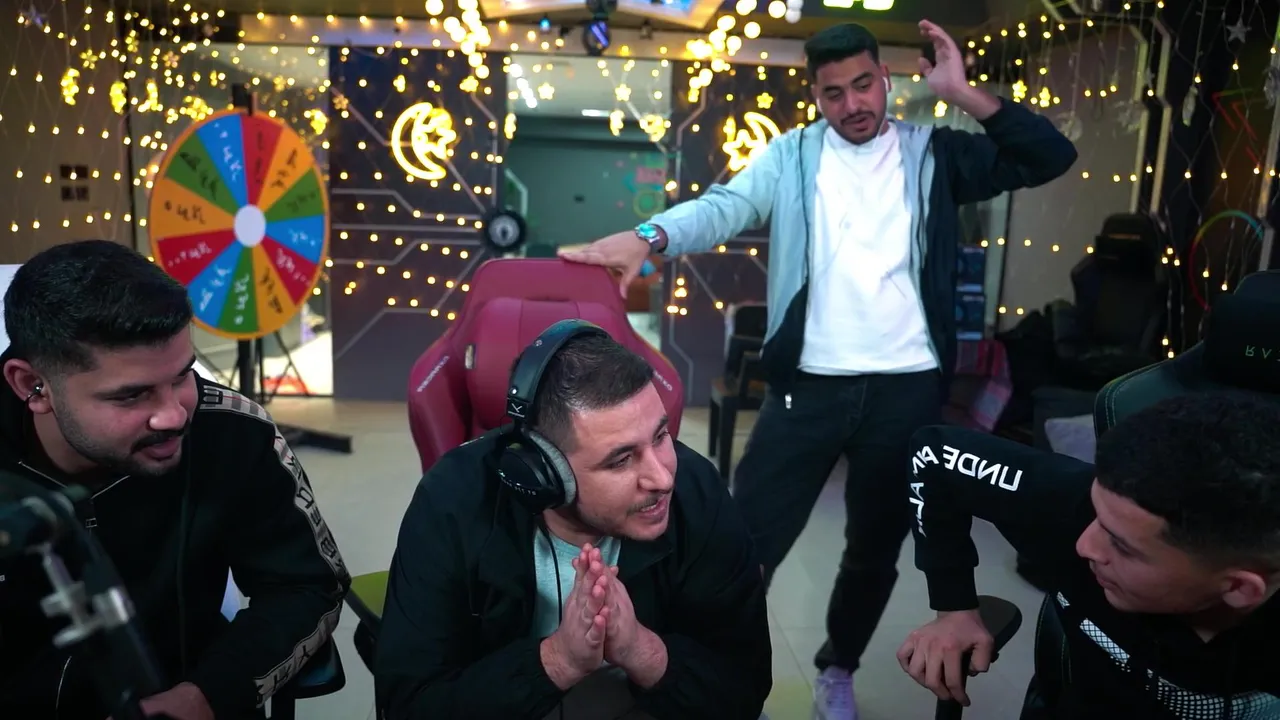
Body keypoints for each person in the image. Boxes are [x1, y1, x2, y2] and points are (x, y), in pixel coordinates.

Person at [561, 18, 1077, 719]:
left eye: (864, 85)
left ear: (885, 79)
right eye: (834, 93)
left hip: (905, 391)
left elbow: (1048, 155)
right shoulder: (793, 155)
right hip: (807, 388)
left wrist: (961, 93)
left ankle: (837, 669)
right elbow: (725, 207)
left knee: (873, 551)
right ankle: (707, 671)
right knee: (743, 540)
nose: (853, 104)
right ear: (816, 95)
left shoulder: (936, 153)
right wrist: (650, 235)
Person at [0, 240, 351, 720]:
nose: (173, 415)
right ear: (32, 386)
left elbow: (306, 585)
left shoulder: (232, 432)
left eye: (182, 375)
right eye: (132, 395)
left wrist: (207, 694)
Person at [375, 320, 772, 719]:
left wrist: (639, 649)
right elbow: (408, 704)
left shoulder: (697, 492)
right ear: (546, 473)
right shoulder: (452, 500)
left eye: (660, 436)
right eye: (621, 460)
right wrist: (559, 660)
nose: (663, 478)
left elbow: (743, 690)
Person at [898, 394, 1280, 718]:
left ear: (1239, 589)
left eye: (1123, 546)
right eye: (1097, 514)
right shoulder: (1074, 508)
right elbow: (933, 455)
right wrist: (953, 607)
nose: (1085, 546)